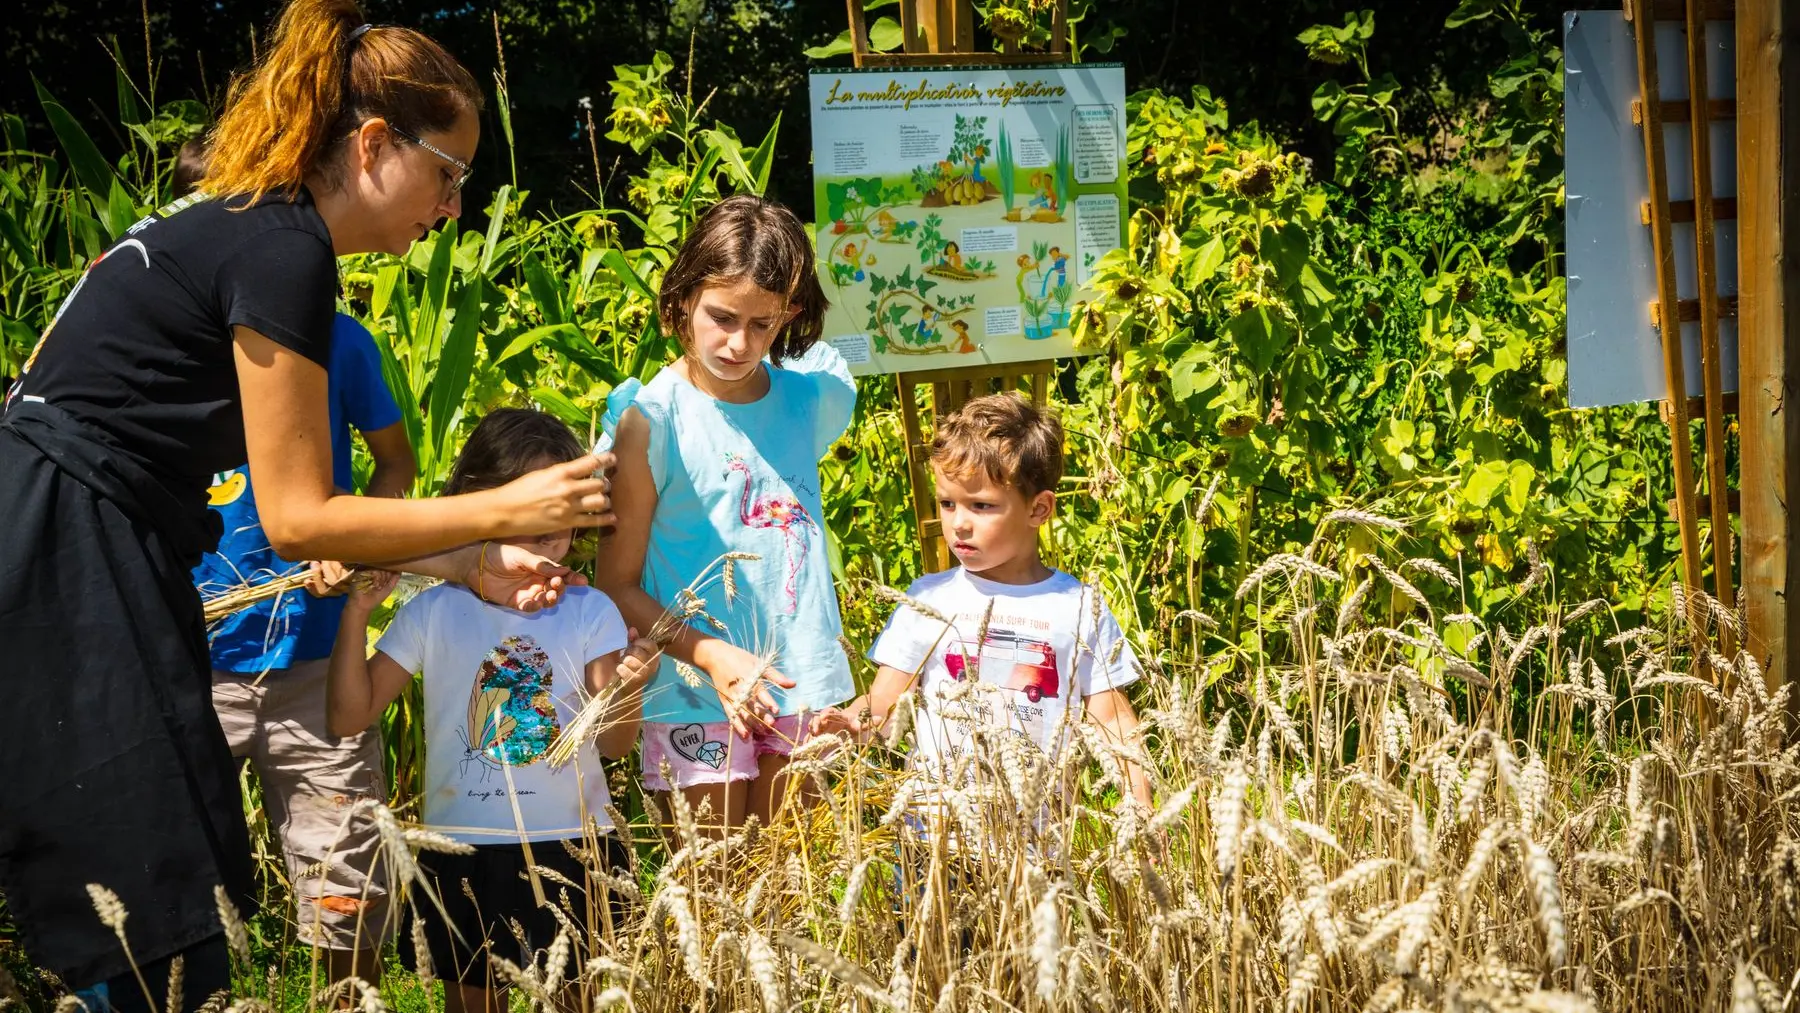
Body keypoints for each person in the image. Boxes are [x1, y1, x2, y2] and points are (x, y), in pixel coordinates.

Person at [0, 0, 611, 1002]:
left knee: (153, 877)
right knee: (150, 910)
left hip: (68, 529)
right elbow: (300, 519)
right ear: (375, 143)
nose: (454, 206)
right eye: (449, 174)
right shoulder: (286, 248)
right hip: (72, 543)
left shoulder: (229, 224)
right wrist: (499, 511)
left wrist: (460, 562)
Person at [327, 409, 655, 1012]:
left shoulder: (591, 613)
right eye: (532, 515)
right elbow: (349, 718)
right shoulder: (432, 612)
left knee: (581, 999)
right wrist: (355, 615)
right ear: (480, 504)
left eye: (561, 518)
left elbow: (614, 745)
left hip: (574, 847)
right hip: (462, 848)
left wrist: (630, 684)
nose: (550, 536)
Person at [597, 195, 856, 832]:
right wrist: (709, 655)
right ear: (684, 296)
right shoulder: (650, 420)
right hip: (692, 694)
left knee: (797, 891)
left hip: (803, 686)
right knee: (713, 892)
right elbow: (616, 583)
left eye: (762, 325)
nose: (739, 343)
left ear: (790, 314)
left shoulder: (813, 397)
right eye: (721, 317)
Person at [192, 310, 414, 985]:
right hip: (185, 662)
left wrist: (348, 543)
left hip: (319, 667)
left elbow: (396, 461)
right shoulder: (172, 336)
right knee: (168, 884)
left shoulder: (339, 339)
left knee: (348, 893)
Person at [842, 393, 1153, 810]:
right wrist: (848, 723)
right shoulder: (928, 599)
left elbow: (1113, 720)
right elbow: (883, 703)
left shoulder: (1078, 607)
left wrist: (1140, 806)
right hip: (935, 834)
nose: (959, 524)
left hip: (1039, 840)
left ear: (1038, 509)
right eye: (948, 503)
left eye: (982, 506)